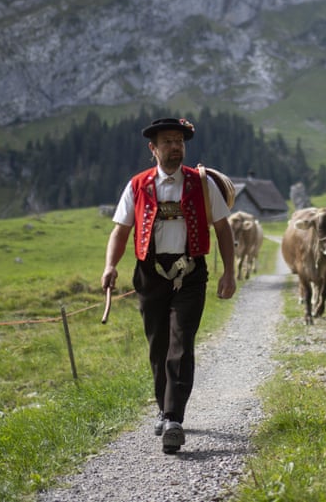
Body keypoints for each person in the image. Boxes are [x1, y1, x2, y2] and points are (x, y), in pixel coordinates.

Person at [101, 117, 237, 454]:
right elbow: (121, 230)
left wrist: (229, 272)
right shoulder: (137, 186)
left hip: (191, 272)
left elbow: (222, 228)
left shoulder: (201, 184)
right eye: (168, 142)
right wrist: (110, 266)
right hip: (150, 274)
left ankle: (174, 419)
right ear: (153, 148)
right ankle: (163, 407)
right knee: (158, 345)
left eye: (180, 141)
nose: (175, 147)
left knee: (181, 342)